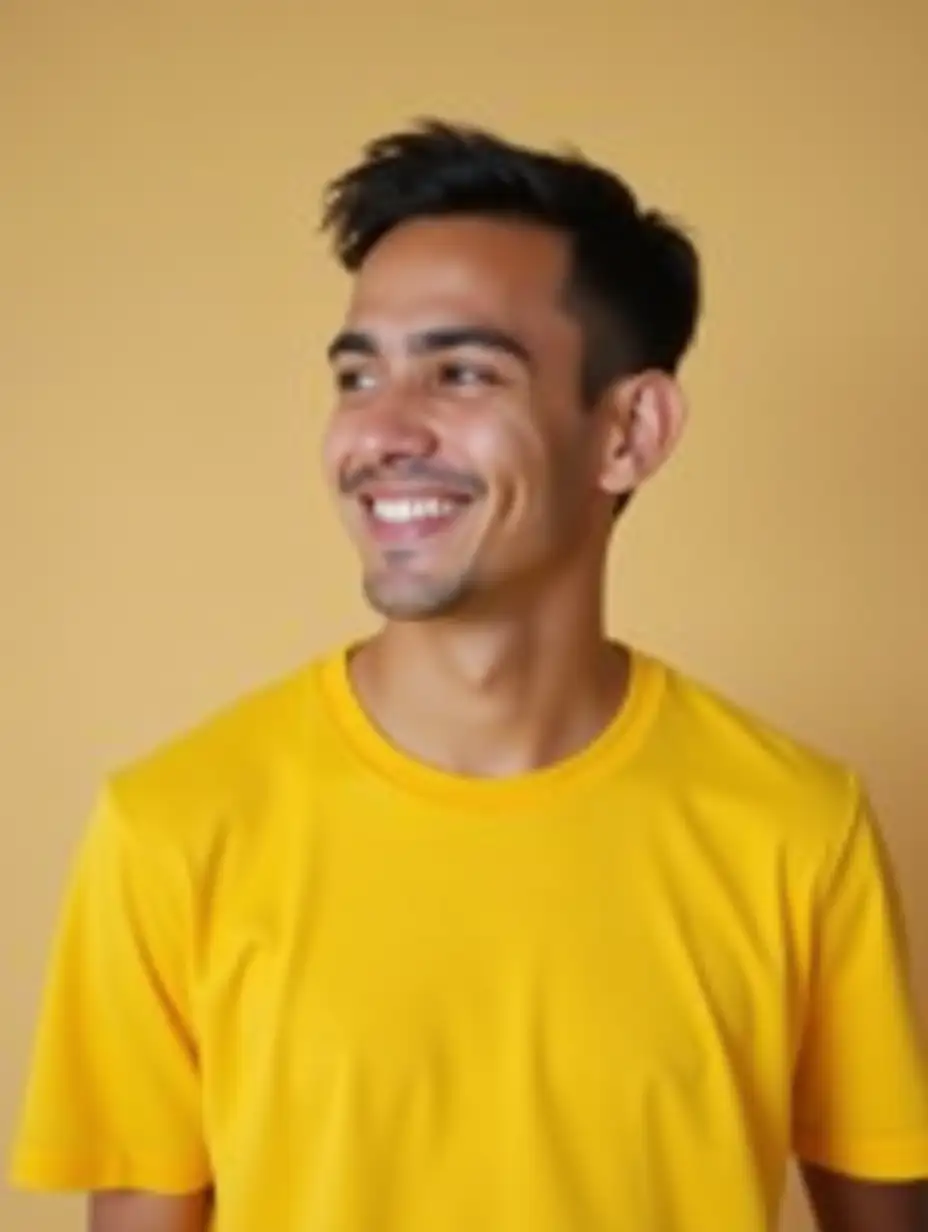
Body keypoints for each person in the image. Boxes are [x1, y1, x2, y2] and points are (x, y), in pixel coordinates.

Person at [10, 120, 928, 1232]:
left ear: (629, 430)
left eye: (460, 371)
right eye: (358, 376)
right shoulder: (171, 828)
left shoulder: (796, 827)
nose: (381, 430)